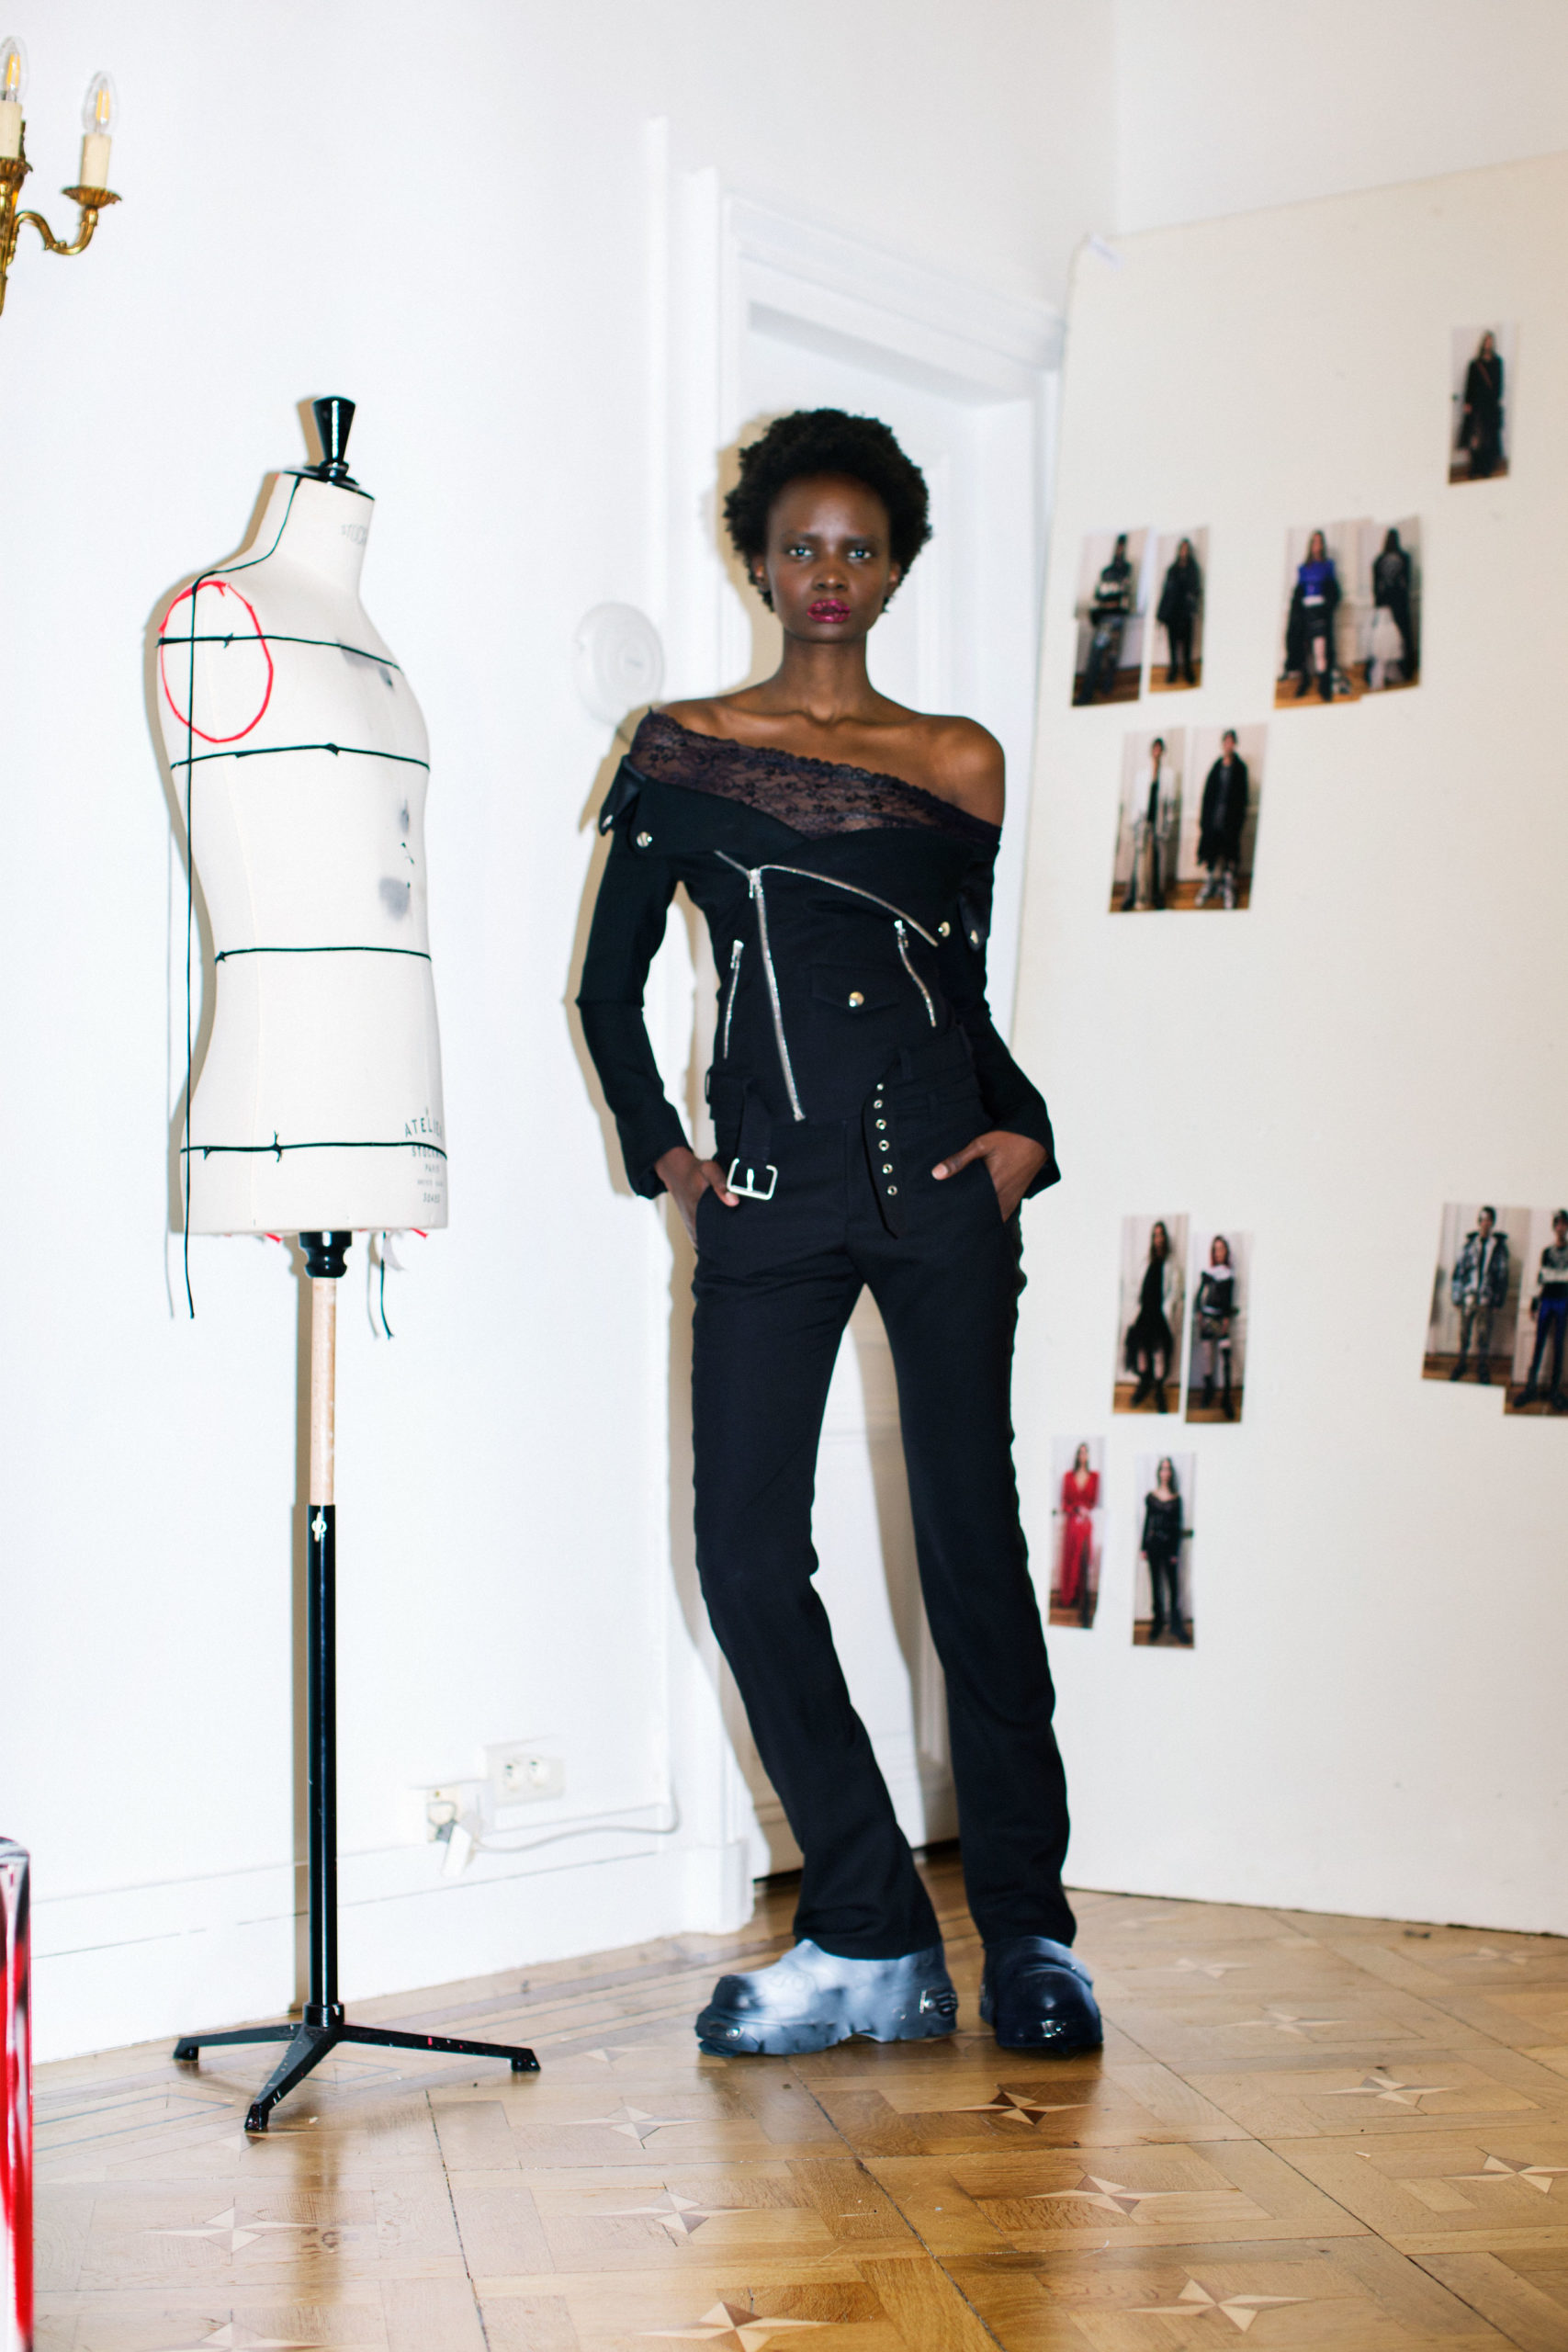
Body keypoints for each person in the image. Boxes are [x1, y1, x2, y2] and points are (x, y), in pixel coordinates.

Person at [577, 408, 1100, 2062]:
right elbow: (604, 990)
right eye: (799, 544)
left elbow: (958, 987)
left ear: (892, 569)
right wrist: (669, 1159)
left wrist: (1025, 1131)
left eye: (856, 548)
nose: (826, 571)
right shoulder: (682, 746)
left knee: (969, 1552)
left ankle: (1030, 1932)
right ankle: (868, 1926)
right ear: (756, 559)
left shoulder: (956, 760)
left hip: (942, 1189)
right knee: (744, 1556)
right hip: (766, 1201)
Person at [1123, 1220, 1182, 1411]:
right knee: (1142, 1349)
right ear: (1152, 1238)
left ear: (1165, 1238)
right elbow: (1138, 1287)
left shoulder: (1171, 1264)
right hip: (1144, 1312)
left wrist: (1168, 1308)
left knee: (1158, 1352)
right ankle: (1144, 1383)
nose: (1158, 1239)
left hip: (1159, 1314)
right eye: (1155, 1235)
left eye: (1161, 1235)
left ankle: (1158, 1389)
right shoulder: (1145, 1261)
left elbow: (1174, 1292)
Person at [1449, 1205, 1510, 1384]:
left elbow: (1502, 1276)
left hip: (1486, 1298)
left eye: (1489, 1220)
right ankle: (1461, 1363)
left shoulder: (1498, 1247)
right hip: (1468, 1296)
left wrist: (1498, 1301)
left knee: (1484, 1334)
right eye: (1483, 1219)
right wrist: (1457, 1296)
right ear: (1479, 1222)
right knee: (1464, 1332)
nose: (1485, 1223)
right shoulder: (1469, 1245)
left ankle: (1482, 1366)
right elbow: (1459, 1271)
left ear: (1492, 1223)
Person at [1516, 1210, 1568, 1411]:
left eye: (1564, 1223)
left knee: (1559, 1347)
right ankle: (1531, 1388)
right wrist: (1533, 1304)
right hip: (1546, 1301)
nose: (1561, 1227)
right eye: (1558, 1223)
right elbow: (1541, 1279)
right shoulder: (1546, 1252)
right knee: (1538, 1344)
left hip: (1563, 1302)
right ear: (1554, 1227)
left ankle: (1555, 1391)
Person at [1121, 736, 1179, 912]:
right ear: (1151, 751)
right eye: (1155, 748)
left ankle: (1157, 897)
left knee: (1157, 862)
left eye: (1160, 749)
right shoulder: (1142, 775)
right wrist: (1135, 822)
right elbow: (1137, 801)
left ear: (1163, 752)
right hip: (1143, 823)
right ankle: (1131, 896)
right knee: (1138, 862)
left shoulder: (1168, 776)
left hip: (1158, 824)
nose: (1157, 752)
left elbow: (1170, 804)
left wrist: (1167, 826)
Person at [1077, 532, 1134, 704]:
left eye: (1122, 546)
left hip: (1117, 619)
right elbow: (1099, 596)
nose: (1120, 550)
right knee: (1096, 656)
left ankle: (1105, 688)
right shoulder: (1106, 572)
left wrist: (1111, 604)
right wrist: (1107, 605)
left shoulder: (1126, 570)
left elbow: (1124, 598)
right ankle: (1087, 693)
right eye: (1118, 546)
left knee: (1112, 656)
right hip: (1105, 620)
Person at [1283, 529, 1340, 703]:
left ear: (1323, 545)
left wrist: (1326, 606)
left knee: (1320, 649)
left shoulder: (1328, 565)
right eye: (1314, 542)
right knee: (1303, 649)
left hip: (1320, 612)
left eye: (1320, 542)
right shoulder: (1302, 568)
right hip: (1304, 613)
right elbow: (1298, 593)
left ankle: (1324, 685)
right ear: (1310, 545)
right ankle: (1305, 682)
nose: (1317, 545)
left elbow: (1333, 591)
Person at [1196, 731, 1249, 909]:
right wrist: (1204, 821)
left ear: (1235, 744)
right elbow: (1207, 796)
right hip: (1213, 821)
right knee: (1210, 855)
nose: (1228, 745)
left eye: (1231, 742)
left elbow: (1242, 799)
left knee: (1229, 857)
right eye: (1226, 742)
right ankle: (1208, 886)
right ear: (1222, 744)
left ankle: (1228, 890)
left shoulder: (1240, 769)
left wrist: (1238, 823)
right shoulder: (1216, 767)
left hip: (1230, 822)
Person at [1140, 1457, 1190, 1645]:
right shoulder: (1151, 1497)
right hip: (1153, 1545)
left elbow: (1177, 1526)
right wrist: (1143, 1546)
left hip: (1169, 1548)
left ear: (1171, 1473)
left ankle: (1176, 1625)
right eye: (1163, 1469)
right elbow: (1147, 1521)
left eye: (1168, 1469)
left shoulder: (1176, 1498)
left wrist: (1175, 1552)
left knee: (1173, 1587)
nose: (1165, 1473)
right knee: (1155, 1586)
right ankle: (1157, 1623)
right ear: (1158, 1472)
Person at [1191, 1236, 1238, 1419]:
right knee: (1207, 1355)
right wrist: (1199, 1313)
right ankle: (1208, 1390)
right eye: (1216, 1249)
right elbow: (1199, 1295)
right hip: (1207, 1317)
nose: (1219, 1252)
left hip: (1221, 1318)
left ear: (1226, 1251)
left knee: (1226, 1355)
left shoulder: (1229, 1274)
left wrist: (1226, 1319)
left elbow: (1228, 1300)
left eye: (1221, 1249)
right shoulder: (1207, 1272)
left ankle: (1226, 1398)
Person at [1368, 527, 1416, 690]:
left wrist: (1378, 602)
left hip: (1387, 601)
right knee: (1398, 636)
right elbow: (1406, 582)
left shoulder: (1380, 560)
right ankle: (1402, 671)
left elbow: (1376, 585)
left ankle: (1390, 672)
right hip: (1398, 601)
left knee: (1384, 638)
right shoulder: (1403, 558)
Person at [1056, 1442, 1099, 1622]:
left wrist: (1086, 1511)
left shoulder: (1094, 1477)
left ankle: (1083, 1598)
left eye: (1085, 1453)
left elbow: (1093, 1501)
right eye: (1080, 1453)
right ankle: (1069, 1596)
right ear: (1077, 1456)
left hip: (1086, 1523)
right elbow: (1064, 1503)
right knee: (1071, 1559)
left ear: (1088, 1456)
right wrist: (1075, 1510)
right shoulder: (1068, 1476)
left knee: (1084, 1559)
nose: (1083, 1456)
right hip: (1073, 1522)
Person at [1156, 537, 1202, 685]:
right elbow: (1166, 591)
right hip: (1172, 613)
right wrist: (1161, 614)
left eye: (1186, 549)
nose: (1184, 552)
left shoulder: (1193, 569)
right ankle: (1173, 669)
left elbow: (1196, 590)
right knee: (1172, 644)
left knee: (1187, 643)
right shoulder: (1172, 569)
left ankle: (1188, 670)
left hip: (1186, 613)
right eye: (1182, 549)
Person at [1459, 330, 1505, 480]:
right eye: (1486, 341)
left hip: (1490, 406)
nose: (1488, 344)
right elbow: (1469, 385)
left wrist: (1496, 400)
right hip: (1477, 406)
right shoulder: (1475, 364)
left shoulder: (1497, 362)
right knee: (1475, 438)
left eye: (1490, 341)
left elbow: (1499, 384)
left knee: (1489, 439)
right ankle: (1475, 467)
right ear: (1483, 343)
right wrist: (1468, 403)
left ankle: (1486, 468)